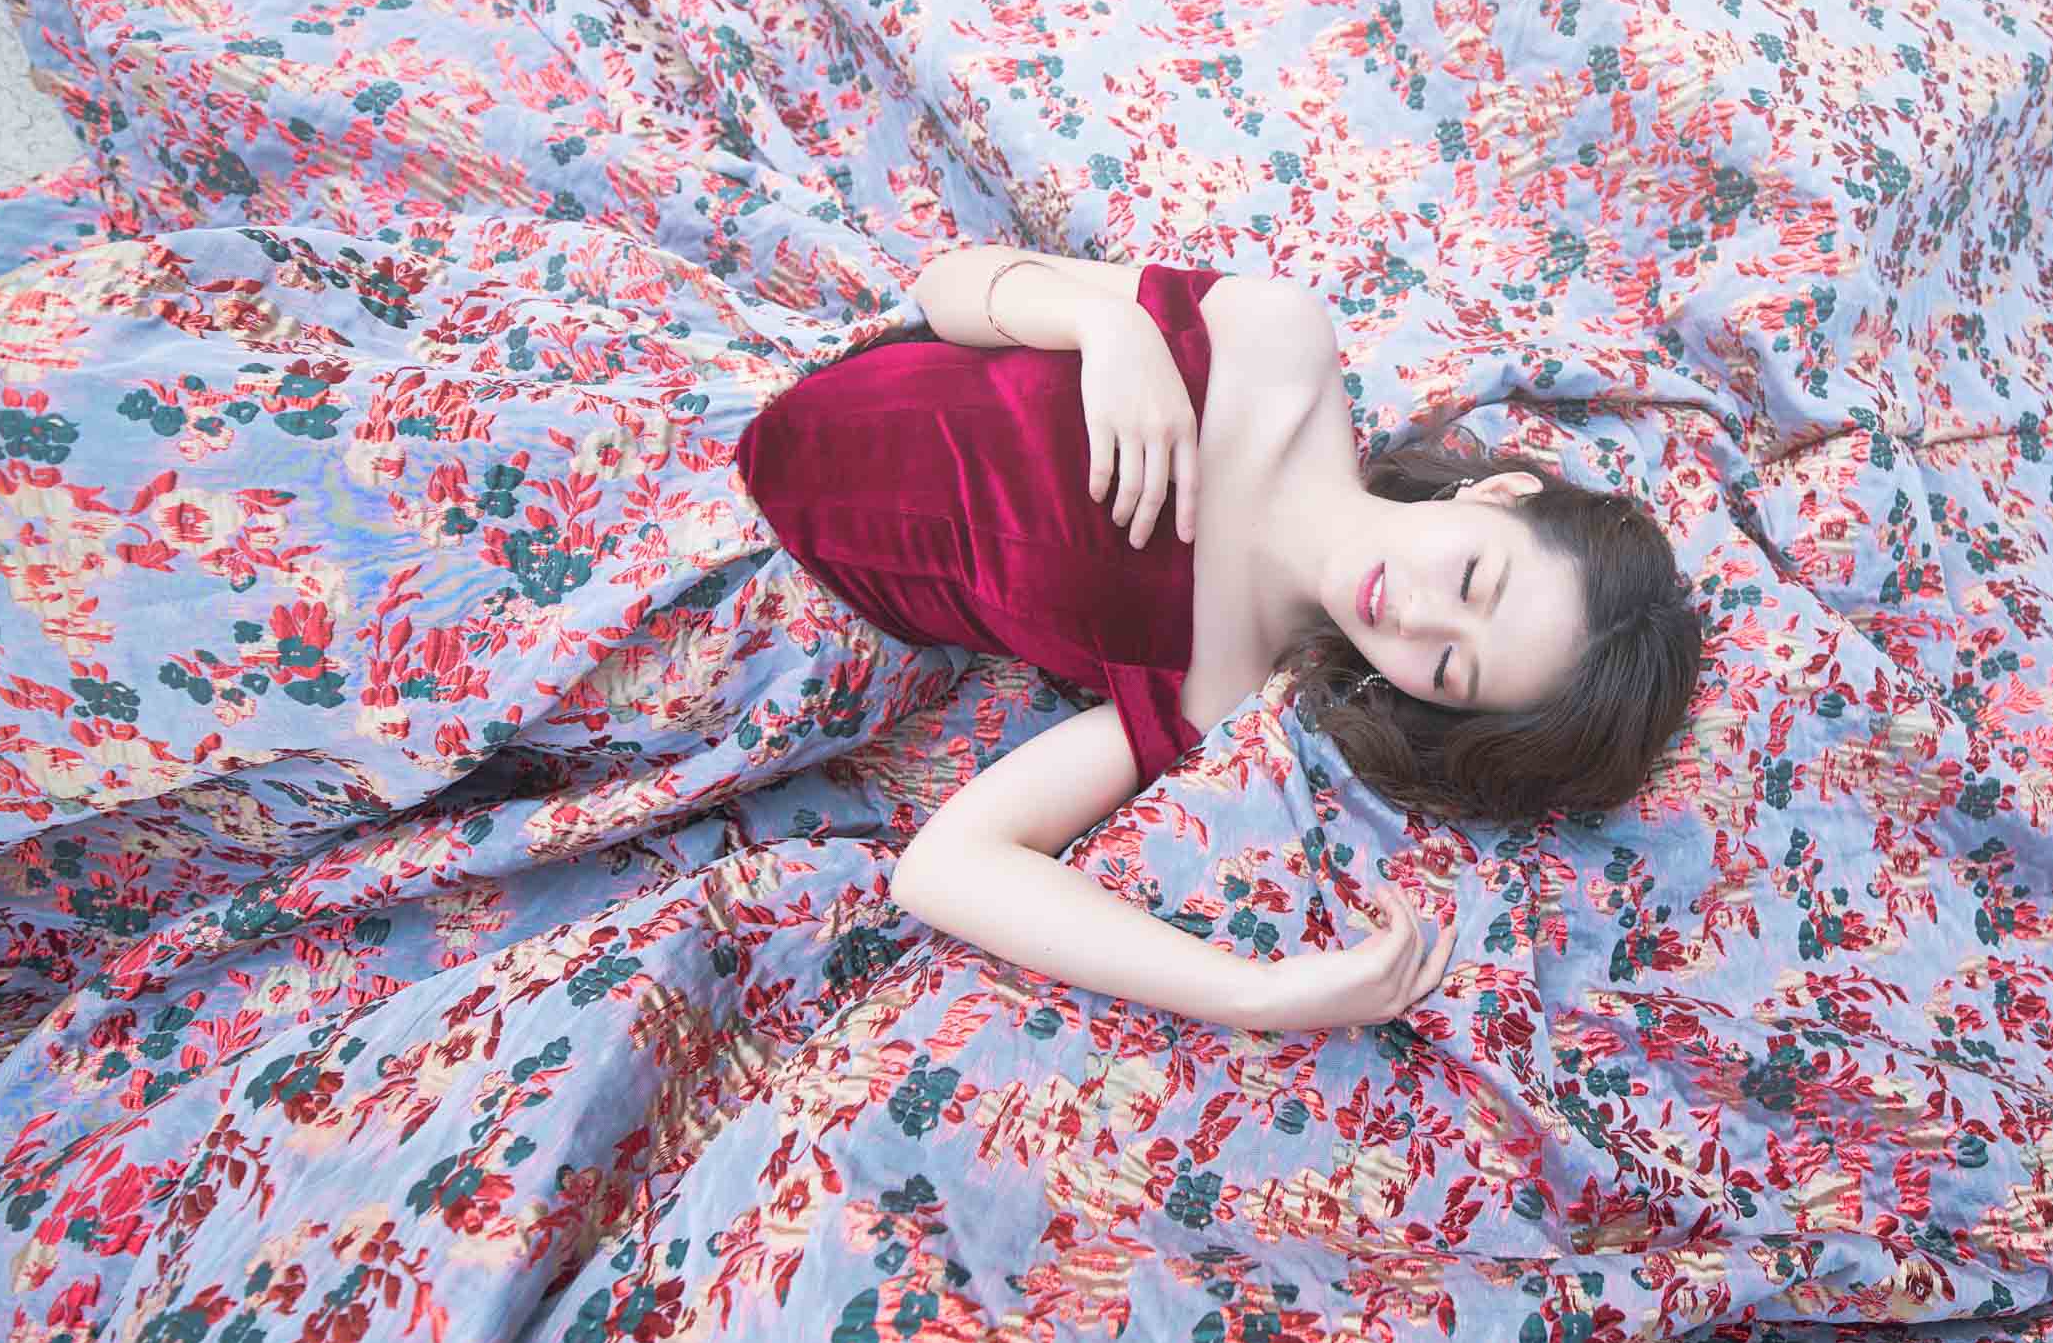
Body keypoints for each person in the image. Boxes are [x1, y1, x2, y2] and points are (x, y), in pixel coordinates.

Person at [731, 243, 1708, 1035]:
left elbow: (944, 865)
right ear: (1496, 494)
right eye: (1470, 579)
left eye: (1450, 666)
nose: (1414, 616)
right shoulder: (1279, 341)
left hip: (771, 591)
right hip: (764, 399)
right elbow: (945, 283)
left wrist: (1257, 993)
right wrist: (1104, 325)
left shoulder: (1216, 685)